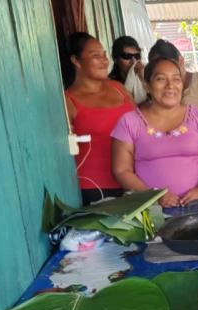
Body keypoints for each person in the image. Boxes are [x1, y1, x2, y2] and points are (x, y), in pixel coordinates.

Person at [110, 56, 198, 208]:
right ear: (146, 86)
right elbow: (121, 170)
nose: (170, 85)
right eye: (161, 79)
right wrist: (153, 196)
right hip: (151, 211)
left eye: (176, 79)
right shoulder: (129, 122)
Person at [64, 32, 135, 205]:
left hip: (134, 180)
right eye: (96, 56)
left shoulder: (118, 89)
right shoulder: (68, 100)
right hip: (95, 187)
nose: (104, 61)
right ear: (76, 60)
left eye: (104, 55)